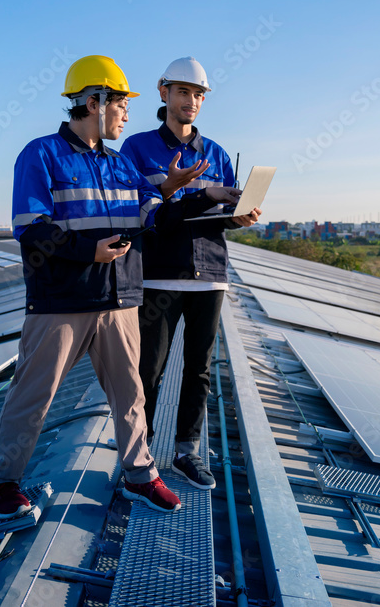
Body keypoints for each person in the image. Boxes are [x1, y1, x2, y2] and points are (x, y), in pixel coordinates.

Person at [0, 55, 241, 517]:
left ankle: (141, 475)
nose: (126, 113)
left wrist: (187, 193)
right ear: (94, 101)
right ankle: (2, 481)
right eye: (121, 103)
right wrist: (89, 252)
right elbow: (31, 227)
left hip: (121, 298)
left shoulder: (122, 166)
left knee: (131, 394)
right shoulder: (40, 154)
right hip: (62, 300)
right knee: (34, 394)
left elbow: (154, 218)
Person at [120, 57, 261, 490]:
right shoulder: (137, 149)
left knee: (199, 368)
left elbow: (220, 216)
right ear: (163, 93)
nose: (192, 101)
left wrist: (238, 218)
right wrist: (196, 194)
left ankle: (187, 451)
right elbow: (145, 213)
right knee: (150, 370)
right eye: (184, 92)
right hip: (159, 276)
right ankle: (140, 457)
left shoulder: (216, 153)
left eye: (198, 94)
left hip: (210, 276)